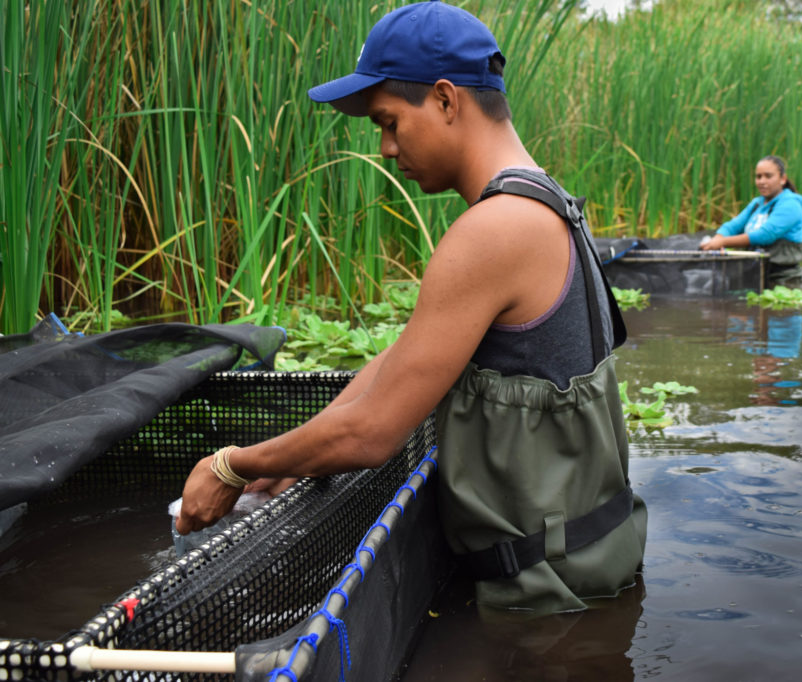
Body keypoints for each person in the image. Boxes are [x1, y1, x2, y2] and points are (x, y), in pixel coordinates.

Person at [175, 0, 646, 615]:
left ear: (447, 100)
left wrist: (231, 466)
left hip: (546, 598)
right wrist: (293, 454)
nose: (387, 149)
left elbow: (373, 434)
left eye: (390, 122)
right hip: (590, 561)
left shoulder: (493, 230)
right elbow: (403, 362)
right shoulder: (551, 203)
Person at [700, 155, 802, 287]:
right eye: (758, 176)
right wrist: (718, 238)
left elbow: (765, 235)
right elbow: (733, 226)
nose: (762, 181)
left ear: (782, 179)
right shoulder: (757, 203)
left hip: (783, 280)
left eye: (768, 176)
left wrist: (723, 242)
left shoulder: (790, 205)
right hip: (755, 274)